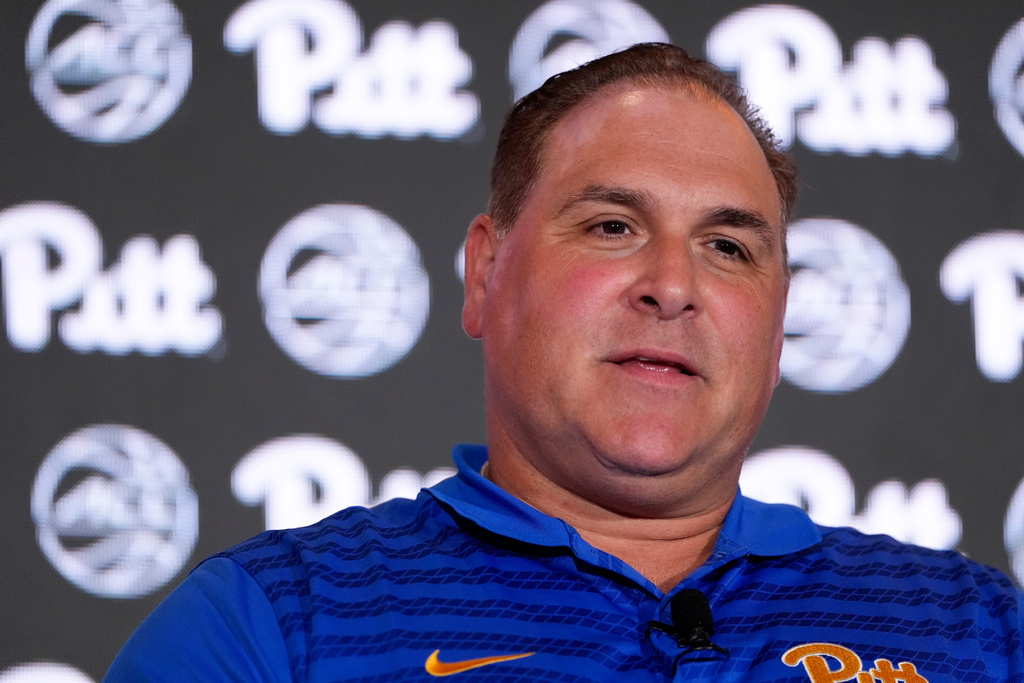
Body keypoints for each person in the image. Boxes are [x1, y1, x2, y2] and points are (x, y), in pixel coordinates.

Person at [105, 43, 1023, 682]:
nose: (673, 286)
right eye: (613, 227)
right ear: (485, 271)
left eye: (729, 247)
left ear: (779, 320)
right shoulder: (269, 626)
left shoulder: (981, 633)